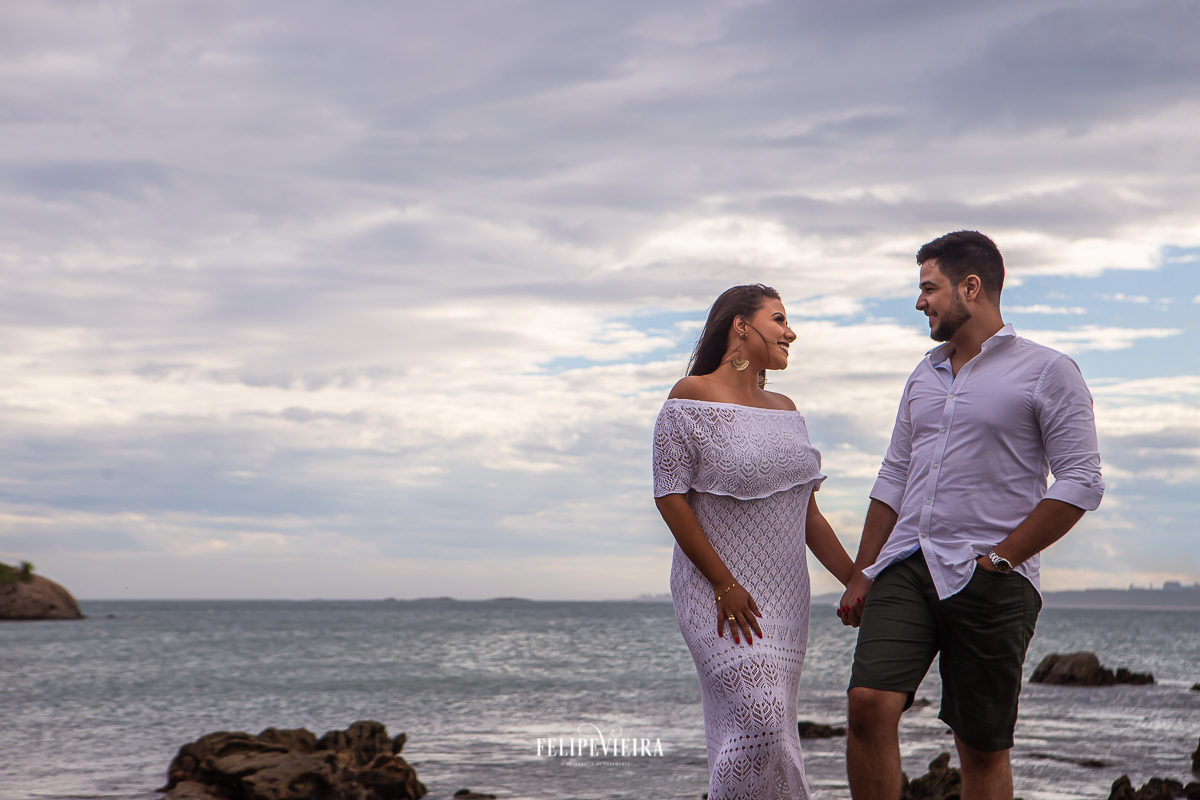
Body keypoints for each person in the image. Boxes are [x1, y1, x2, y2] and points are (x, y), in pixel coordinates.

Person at [837, 232, 1105, 800]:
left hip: (993, 577)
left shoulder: (1048, 371)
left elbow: (1081, 481)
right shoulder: (923, 375)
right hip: (908, 563)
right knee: (867, 705)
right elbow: (893, 477)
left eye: (928, 288)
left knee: (980, 749)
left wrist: (1002, 557)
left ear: (972, 287)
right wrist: (863, 570)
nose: (920, 302)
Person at [653, 284, 854, 800]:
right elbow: (670, 498)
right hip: (717, 595)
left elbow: (808, 516)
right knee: (759, 723)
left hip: (785, 599)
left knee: (774, 734)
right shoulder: (688, 397)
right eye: (779, 319)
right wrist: (724, 584)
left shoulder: (787, 410)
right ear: (740, 325)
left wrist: (857, 579)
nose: (791, 332)